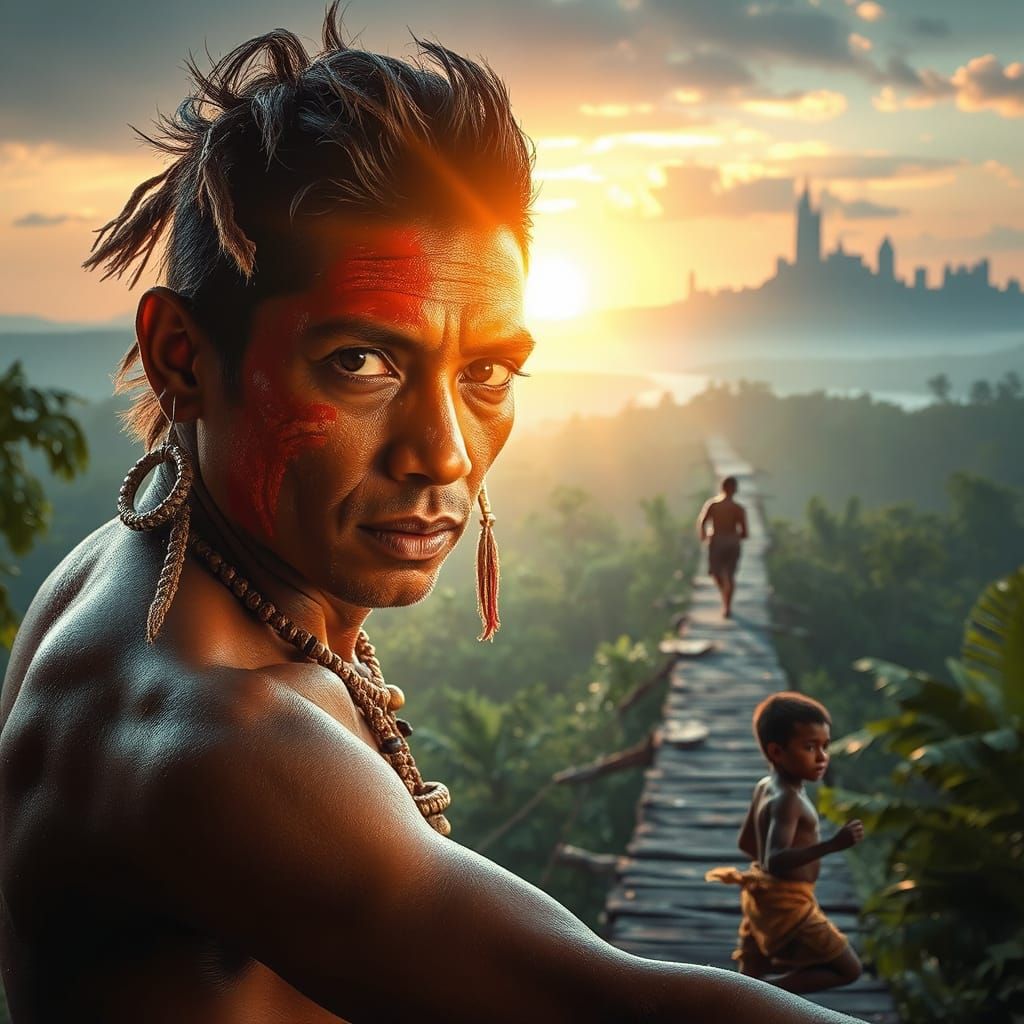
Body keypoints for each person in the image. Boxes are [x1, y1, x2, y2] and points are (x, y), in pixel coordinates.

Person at [0, 8, 863, 1022]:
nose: (444, 452)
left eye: (487, 370)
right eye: (361, 361)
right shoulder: (220, 736)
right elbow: (593, 1005)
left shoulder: (129, 566)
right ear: (183, 358)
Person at [706, 692, 866, 995]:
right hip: (789, 905)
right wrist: (832, 844)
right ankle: (767, 996)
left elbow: (747, 843)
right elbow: (774, 860)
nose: (822, 757)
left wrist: (770, 884)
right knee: (849, 969)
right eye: (809, 747)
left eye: (825, 746)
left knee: (751, 970)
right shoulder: (790, 799)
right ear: (777, 752)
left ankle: (746, 998)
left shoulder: (765, 786)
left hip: (763, 898)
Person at [697, 475, 748, 618]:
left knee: (716, 574)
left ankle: (724, 598)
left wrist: (704, 535)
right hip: (732, 543)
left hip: (716, 543)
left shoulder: (713, 505)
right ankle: (727, 606)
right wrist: (736, 536)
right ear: (735, 490)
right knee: (730, 576)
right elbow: (745, 533)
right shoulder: (738, 509)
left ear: (722, 488)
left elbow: (702, 522)